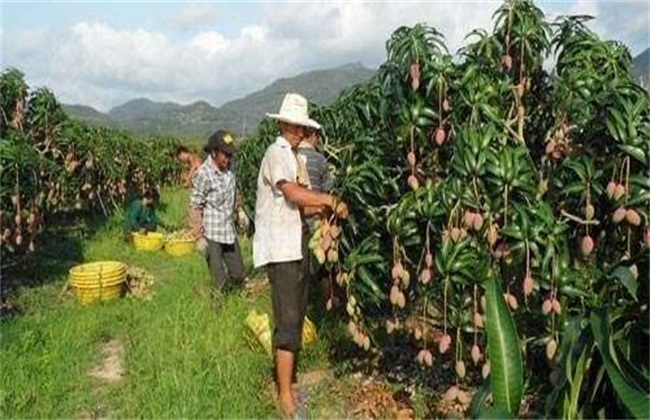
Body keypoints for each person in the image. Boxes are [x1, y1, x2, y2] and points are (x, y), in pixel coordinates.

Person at [253, 92, 348, 418]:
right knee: (288, 320)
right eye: (292, 125)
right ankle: (285, 397)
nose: (296, 130)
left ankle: (289, 383)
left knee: (295, 314)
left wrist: (328, 217)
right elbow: (292, 193)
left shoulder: (296, 158)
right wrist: (328, 200)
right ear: (281, 124)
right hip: (281, 248)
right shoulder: (277, 152)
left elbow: (307, 203)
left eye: (301, 126)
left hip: (297, 245)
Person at [189, 130, 246, 300]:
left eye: (230, 155)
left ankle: (233, 297)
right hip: (212, 234)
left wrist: (240, 210)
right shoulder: (203, 175)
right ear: (213, 152)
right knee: (219, 280)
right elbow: (195, 206)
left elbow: (235, 192)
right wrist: (198, 236)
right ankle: (218, 309)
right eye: (225, 155)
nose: (228, 159)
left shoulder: (230, 171)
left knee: (238, 273)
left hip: (228, 231)